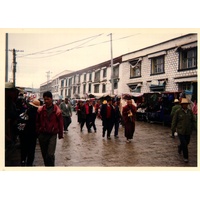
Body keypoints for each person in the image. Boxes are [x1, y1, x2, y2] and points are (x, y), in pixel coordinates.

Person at [36, 91, 63, 166]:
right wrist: (38, 132)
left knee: (50, 154)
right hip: (42, 134)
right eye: (45, 99)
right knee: (45, 155)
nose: (46, 101)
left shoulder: (57, 111)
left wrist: (60, 134)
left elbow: (60, 123)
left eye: (48, 99)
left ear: (51, 99)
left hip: (52, 135)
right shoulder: (40, 110)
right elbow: (37, 122)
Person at [171, 98, 196, 163]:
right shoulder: (178, 112)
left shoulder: (190, 112)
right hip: (180, 131)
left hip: (188, 131)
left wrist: (196, 128)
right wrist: (173, 130)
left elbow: (193, 121)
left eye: (186, 104)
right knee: (184, 144)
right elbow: (174, 121)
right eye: (184, 104)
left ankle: (180, 147)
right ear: (181, 105)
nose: (185, 105)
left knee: (187, 143)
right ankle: (186, 157)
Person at [19, 98, 40, 166]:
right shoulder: (37, 114)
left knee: (24, 148)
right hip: (33, 134)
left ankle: (23, 160)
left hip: (24, 134)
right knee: (31, 150)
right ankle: (29, 163)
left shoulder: (26, 111)